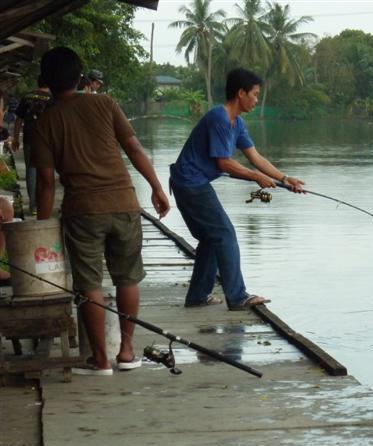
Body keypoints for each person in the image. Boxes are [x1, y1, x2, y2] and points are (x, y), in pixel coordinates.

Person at [31, 46, 170, 376]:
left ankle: (100, 360)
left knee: (89, 283)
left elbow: (46, 184)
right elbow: (133, 147)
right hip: (123, 202)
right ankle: (126, 351)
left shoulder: (44, 123)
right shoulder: (105, 103)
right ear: (81, 77)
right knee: (127, 277)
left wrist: (41, 226)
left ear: (46, 82)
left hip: (82, 212)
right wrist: (156, 187)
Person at [169, 67, 304, 310]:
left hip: (192, 183)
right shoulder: (219, 118)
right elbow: (225, 163)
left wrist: (286, 178)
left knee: (212, 237)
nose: (256, 99)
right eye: (254, 94)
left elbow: (256, 157)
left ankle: (198, 296)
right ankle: (238, 296)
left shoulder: (237, 123)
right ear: (240, 93)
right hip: (190, 184)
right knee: (224, 234)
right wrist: (256, 177)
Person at [12, 76, 52, 214]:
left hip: (29, 137)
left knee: (31, 169)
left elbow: (19, 119)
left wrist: (16, 138)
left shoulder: (27, 96)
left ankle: (33, 206)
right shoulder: (52, 98)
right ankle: (44, 203)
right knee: (46, 169)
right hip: (47, 139)